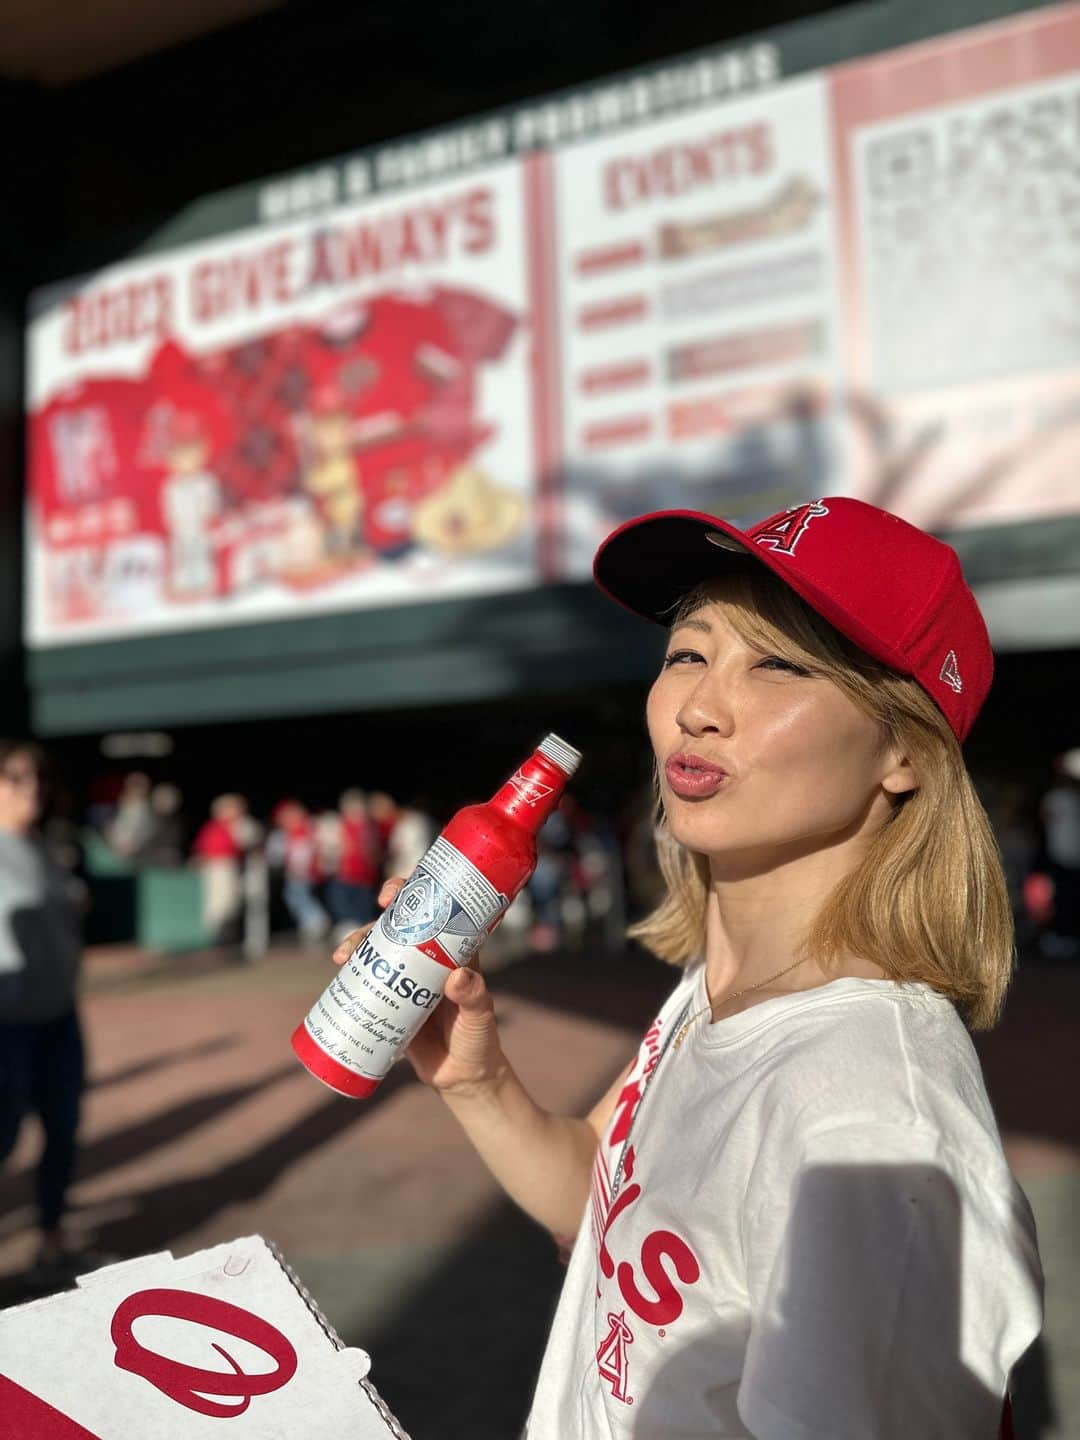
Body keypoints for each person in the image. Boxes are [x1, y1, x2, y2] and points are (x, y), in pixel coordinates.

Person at [333, 497, 1042, 1437]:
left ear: (905, 749)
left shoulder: (872, 1116)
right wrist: (477, 1079)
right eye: (688, 655)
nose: (700, 709)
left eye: (778, 664)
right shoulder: (714, 994)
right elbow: (601, 1194)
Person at [0, 740, 101, 1289]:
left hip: (59, 1016)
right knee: (3, 1137)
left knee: (63, 1128)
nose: (30, 788)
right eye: (15, 779)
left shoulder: (44, 847)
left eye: (36, 778)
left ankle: (51, 1240)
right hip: (6, 1025)